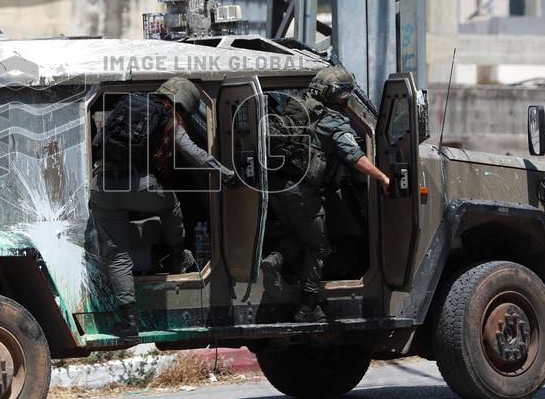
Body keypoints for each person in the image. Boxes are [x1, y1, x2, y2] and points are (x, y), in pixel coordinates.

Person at [89, 77, 235, 340]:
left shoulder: (124, 108)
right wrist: (227, 174)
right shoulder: (169, 119)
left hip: (103, 189)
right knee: (172, 205)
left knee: (117, 255)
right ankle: (177, 255)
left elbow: (98, 142)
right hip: (141, 186)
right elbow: (195, 154)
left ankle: (129, 324)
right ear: (183, 103)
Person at [263, 66, 390, 324]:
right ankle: (308, 306)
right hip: (301, 193)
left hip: (278, 188)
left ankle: (274, 260)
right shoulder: (332, 121)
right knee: (319, 247)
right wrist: (382, 176)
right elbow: (354, 156)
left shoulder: (297, 108)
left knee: (301, 237)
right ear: (338, 95)